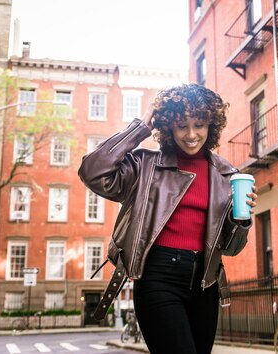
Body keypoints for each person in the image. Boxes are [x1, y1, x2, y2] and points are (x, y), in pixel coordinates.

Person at [79, 84, 257, 354]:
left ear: (211, 127)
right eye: (182, 125)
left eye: (199, 125)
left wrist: (240, 220)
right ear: (169, 128)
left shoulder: (225, 175)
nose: (191, 134)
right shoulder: (145, 166)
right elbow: (93, 172)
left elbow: (231, 249)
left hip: (205, 283)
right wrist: (141, 127)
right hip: (158, 278)